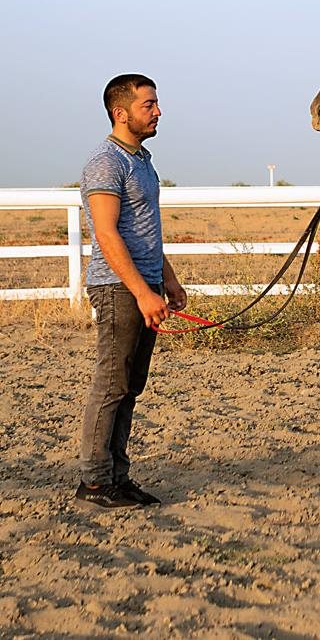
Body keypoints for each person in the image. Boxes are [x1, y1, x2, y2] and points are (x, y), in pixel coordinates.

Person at [76, 74, 187, 510]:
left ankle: (118, 478)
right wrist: (142, 292)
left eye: (157, 103)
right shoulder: (107, 161)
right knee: (111, 383)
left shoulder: (142, 160)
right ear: (121, 113)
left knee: (130, 385)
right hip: (118, 288)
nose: (158, 111)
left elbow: (143, 233)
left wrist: (168, 280)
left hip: (145, 284)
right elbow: (106, 233)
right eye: (149, 105)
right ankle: (95, 482)